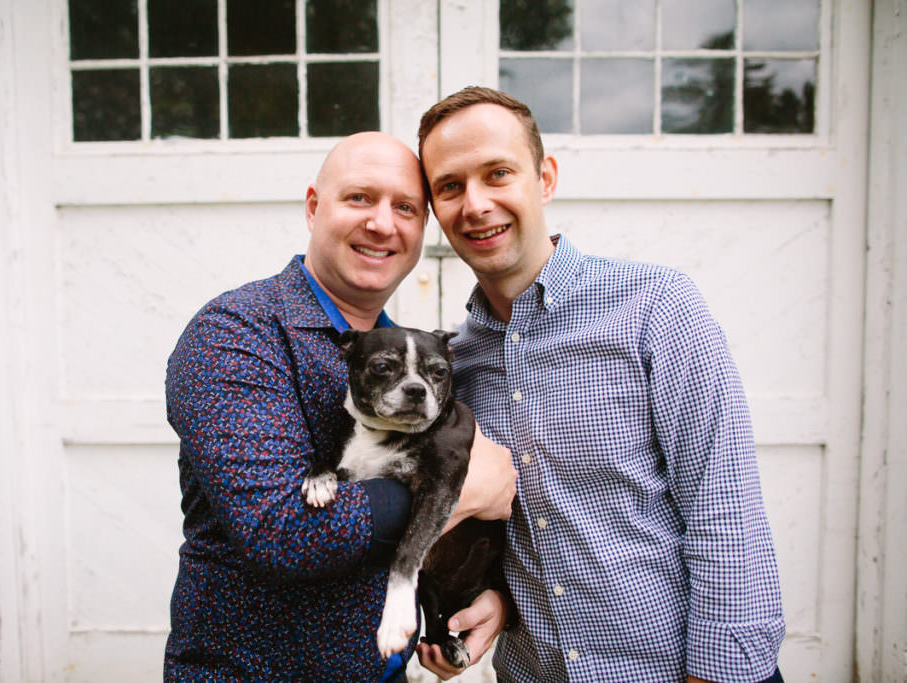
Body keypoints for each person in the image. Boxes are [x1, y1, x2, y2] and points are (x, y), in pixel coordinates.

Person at [413, 87, 785, 683]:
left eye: (498, 173)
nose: (476, 204)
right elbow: (518, 530)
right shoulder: (455, 367)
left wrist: (716, 674)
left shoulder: (655, 308)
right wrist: (499, 605)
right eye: (450, 186)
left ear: (546, 178)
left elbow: (724, 507)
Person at [162, 131, 517, 681]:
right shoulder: (236, 333)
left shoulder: (412, 355)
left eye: (405, 207)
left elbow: (434, 524)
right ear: (313, 207)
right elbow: (279, 531)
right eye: (359, 198)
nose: (382, 223)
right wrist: (463, 491)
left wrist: (472, 595)